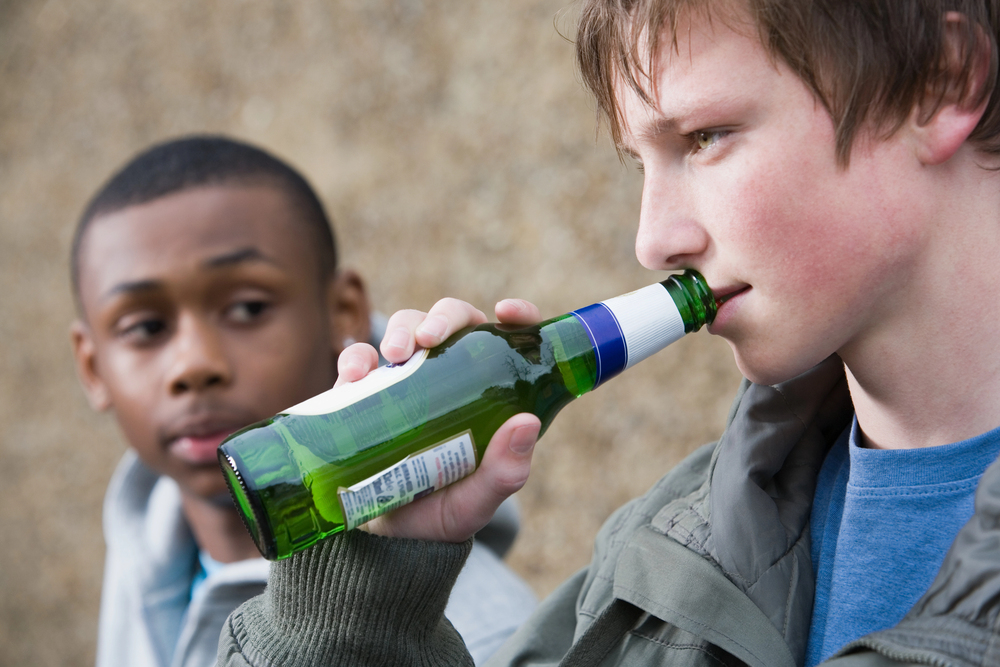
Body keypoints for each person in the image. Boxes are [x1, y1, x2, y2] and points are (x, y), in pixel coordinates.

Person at [215, 1, 1000, 665]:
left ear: (941, 81)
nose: (652, 241)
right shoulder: (665, 560)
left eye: (704, 137)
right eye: (640, 163)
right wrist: (361, 600)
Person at [68, 136, 537, 667]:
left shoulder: (487, 639)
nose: (194, 364)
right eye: (146, 327)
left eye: (247, 308)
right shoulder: (143, 544)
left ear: (343, 313)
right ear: (91, 367)